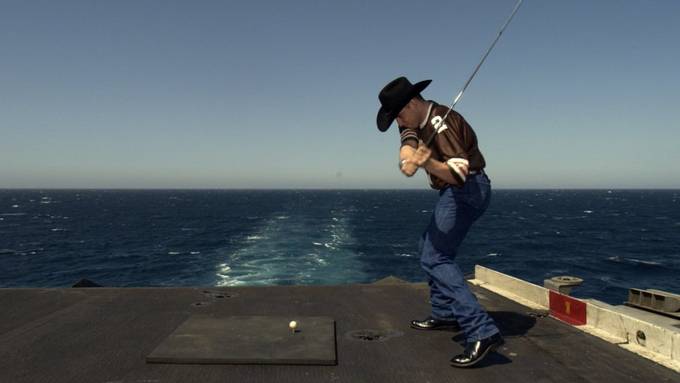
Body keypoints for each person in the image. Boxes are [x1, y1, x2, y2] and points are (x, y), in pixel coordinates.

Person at [376, 76, 503, 368]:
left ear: (412, 103)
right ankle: (445, 313)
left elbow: (458, 174)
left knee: (436, 257)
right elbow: (407, 139)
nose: (398, 121)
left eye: (398, 114)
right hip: (456, 190)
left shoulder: (441, 126)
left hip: (466, 188)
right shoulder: (414, 119)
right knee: (427, 245)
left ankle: (481, 331)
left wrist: (428, 163)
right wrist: (406, 156)